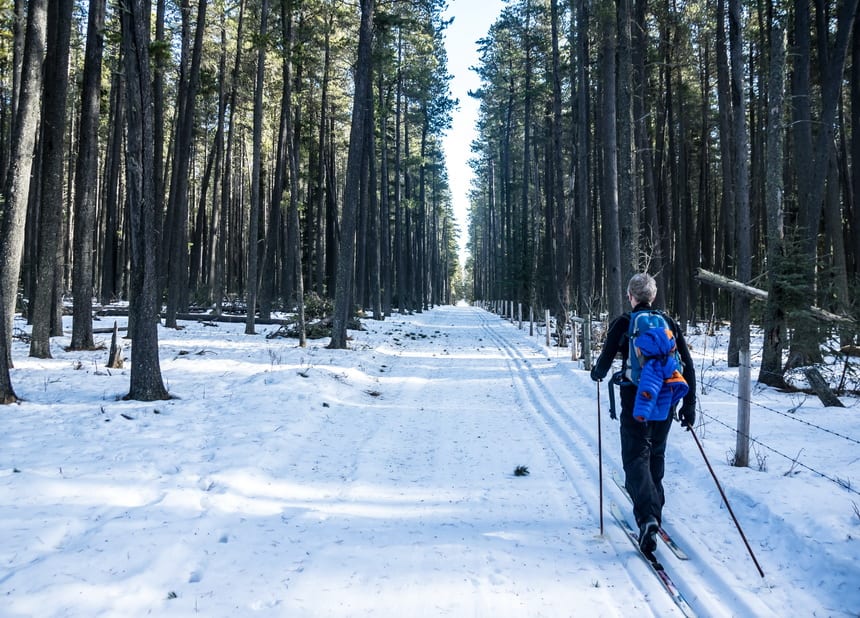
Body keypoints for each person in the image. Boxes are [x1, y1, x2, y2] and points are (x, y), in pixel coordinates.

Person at [590, 273, 696, 554]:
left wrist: (597, 374)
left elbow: (604, 360)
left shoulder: (625, 323)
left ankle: (648, 517)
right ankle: (654, 508)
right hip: (666, 397)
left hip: (636, 398)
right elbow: (687, 363)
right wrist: (689, 405)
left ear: (630, 296)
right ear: (653, 295)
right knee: (656, 452)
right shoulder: (669, 323)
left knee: (636, 455)